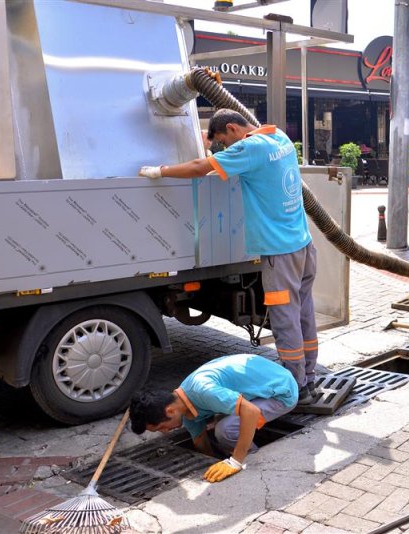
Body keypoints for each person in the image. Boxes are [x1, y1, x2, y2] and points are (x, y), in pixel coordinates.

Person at [139, 109, 319, 404]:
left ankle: (295, 386)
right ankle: (308, 376)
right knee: (304, 313)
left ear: (234, 128)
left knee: (285, 319)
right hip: (303, 245)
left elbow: (200, 167)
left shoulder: (250, 148)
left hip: (279, 252)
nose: (227, 149)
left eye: (224, 142)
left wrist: (161, 171)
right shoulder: (279, 137)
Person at [129, 354, 298, 483]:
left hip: (281, 391)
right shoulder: (186, 408)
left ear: (170, 411)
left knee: (225, 430)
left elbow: (251, 411)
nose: (165, 432)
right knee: (221, 425)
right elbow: (200, 440)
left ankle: (252, 459)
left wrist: (234, 462)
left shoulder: (203, 390)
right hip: (259, 385)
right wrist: (209, 464)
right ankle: (239, 453)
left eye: (161, 427)